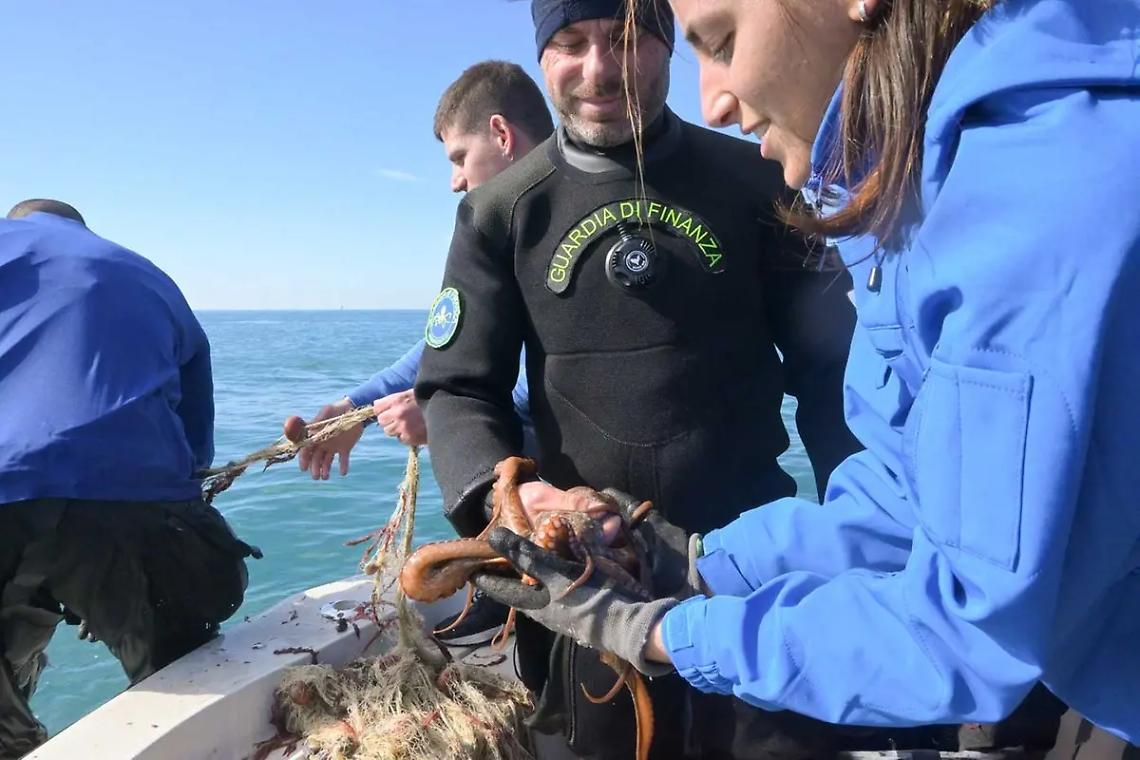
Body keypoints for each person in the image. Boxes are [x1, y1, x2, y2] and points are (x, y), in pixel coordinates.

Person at [474, 0, 1140, 757]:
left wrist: (662, 631)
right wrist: (697, 563)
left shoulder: (1039, 200)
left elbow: (962, 629)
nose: (713, 101)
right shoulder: (930, 193)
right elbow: (903, 500)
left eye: (722, 41)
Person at [415, 2, 885, 757]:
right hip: (585, 594)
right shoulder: (501, 212)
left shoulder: (755, 180)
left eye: (627, 39)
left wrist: (870, 540)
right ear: (543, 58)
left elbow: (834, 376)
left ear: (669, 45)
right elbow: (458, 388)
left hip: (753, 580)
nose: (599, 69)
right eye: (570, 44)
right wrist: (508, 493)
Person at [292, 60, 553, 646]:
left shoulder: (566, 221)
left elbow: (573, 391)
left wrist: (439, 415)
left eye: (460, 158)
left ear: (502, 136)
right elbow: (442, 347)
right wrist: (353, 408)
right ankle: (501, 582)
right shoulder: (498, 235)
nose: (455, 181)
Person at [0, 200, 260, 759]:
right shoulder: (148, 273)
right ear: (83, 229)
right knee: (179, 663)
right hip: (131, 500)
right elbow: (195, 447)